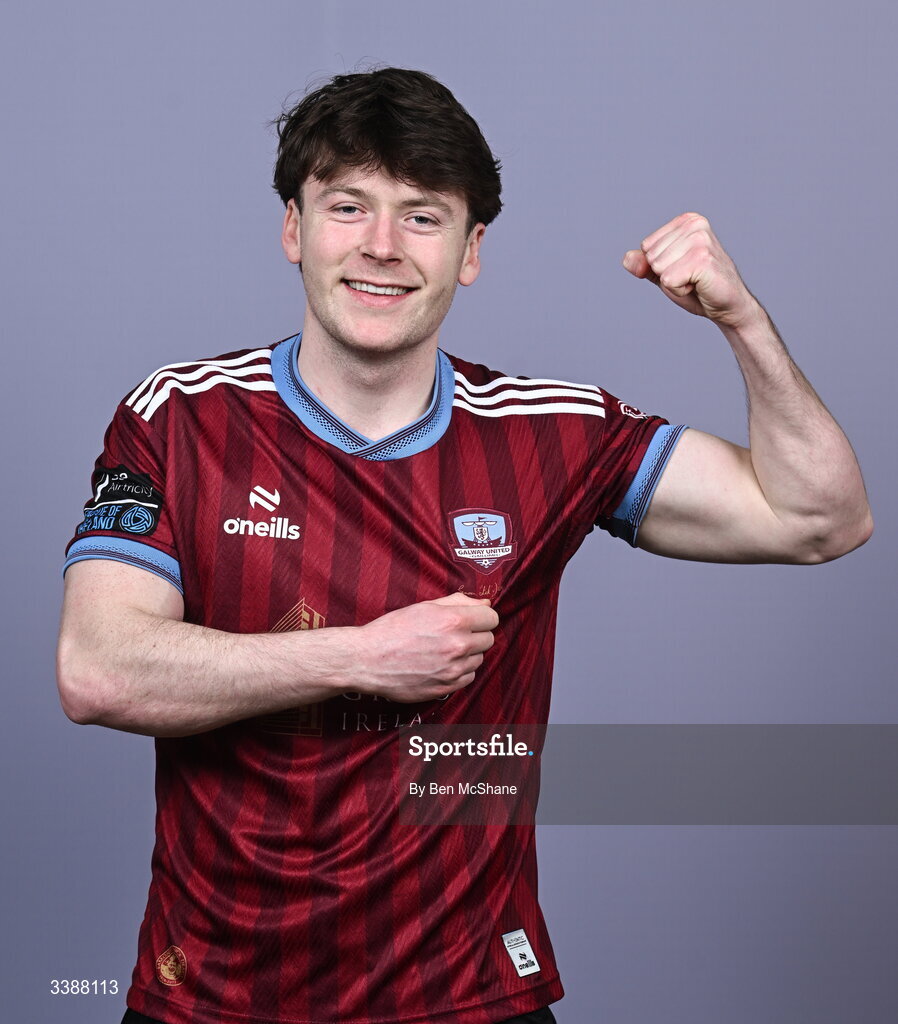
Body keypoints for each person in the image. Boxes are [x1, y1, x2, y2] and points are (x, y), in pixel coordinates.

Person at [56, 67, 872, 1024]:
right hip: (215, 997)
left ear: (472, 250)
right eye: (347, 206)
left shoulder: (553, 434)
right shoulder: (182, 417)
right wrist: (365, 656)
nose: (382, 247)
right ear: (294, 229)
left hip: (472, 998)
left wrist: (741, 321)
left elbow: (822, 518)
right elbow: (98, 670)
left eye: (424, 216)